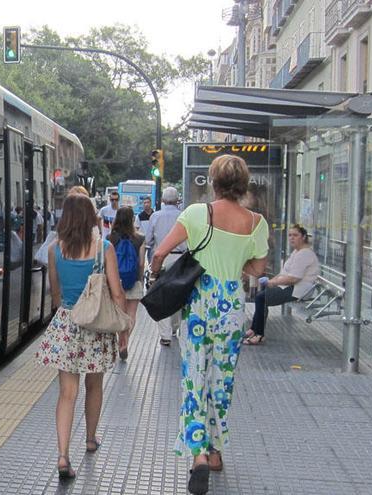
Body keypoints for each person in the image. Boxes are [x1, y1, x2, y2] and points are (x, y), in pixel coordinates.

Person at [150, 154, 269, 495]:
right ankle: (216, 450)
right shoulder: (256, 222)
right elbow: (258, 270)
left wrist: (155, 276)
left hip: (200, 302)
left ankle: (199, 455)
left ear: (213, 182)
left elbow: (160, 253)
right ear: (243, 184)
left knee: (194, 376)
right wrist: (235, 258)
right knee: (221, 380)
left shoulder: (197, 214)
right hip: (232, 303)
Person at [35, 194, 124, 480]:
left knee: (67, 393)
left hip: (67, 322)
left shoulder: (54, 250)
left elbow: (56, 294)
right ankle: (90, 438)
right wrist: (123, 328)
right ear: (90, 218)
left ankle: (62, 456)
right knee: (94, 385)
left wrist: (66, 310)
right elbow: (118, 292)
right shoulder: (104, 248)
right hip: (96, 325)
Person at [244, 225, 320, 345]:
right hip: (291, 287)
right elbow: (284, 273)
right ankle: (254, 329)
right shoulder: (297, 252)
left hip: (297, 290)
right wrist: (272, 281)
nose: (291, 238)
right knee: (262, 296)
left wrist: (273, 282)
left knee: (261, 298)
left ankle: (258, 334)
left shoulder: (305, 254)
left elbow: (293, 278)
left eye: (295, 235)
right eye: (290, 235)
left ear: (304, 237)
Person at [147, 186, 185, 346]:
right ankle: (175, 327)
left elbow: (148, 240)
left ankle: (165, 335)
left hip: (161, 258)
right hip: (180, 259)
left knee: (162, 296)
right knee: (177, 295)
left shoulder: (155, 216)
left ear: (162, 200)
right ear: (177, 200)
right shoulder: (183, 215)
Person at [107, 206, 146, 360]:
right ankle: (125, 342)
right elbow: (142, 262)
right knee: (131, 314)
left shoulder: (110, 238)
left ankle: (120, 338)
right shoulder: (140, 238)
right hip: (134, 280)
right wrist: (141, 279)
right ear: (132, 219)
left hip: (116, 281)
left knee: (118, 313)